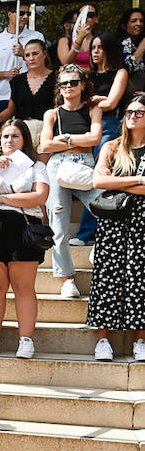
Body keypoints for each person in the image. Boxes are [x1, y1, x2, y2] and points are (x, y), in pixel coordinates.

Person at [0, 120, 50, 360]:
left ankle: (25, 339)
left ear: (24, 139)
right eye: (4, 136)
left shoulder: (36, 165)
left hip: (25, 227)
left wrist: (2, 199)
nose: (9, 140)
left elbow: (39, 197)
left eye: (15, 136)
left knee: (23, 287)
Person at [86, 98, 145, 362]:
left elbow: (109, 181)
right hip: (113, 221)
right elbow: (98, 180)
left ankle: (140, 339)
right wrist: (139, 180)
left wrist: (117, 183)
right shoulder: (112, 146)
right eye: (129, 111)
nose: (132, 115)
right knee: (106, 275)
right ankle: (102, 340)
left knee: (139, 278)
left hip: (141, 221)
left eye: (139, 112)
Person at [37, 66, 102, 298]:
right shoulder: (52, 114)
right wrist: (74, 141)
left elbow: (94, 138)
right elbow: (45, 145)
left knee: (108, 207)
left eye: (73, 83)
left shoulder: (92, 109)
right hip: (57, 167)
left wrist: (62, 139)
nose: (68, 88)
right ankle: (67, 278)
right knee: (58, 225)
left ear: (83, 84)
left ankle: (101, 248)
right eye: (63, 84)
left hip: (85, 163)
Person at [72, 34, 130, 246]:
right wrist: (94, 101)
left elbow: (112, 102)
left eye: (99, 47)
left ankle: (87, 234)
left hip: (109, 128)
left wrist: (92, 102)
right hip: (86, 129)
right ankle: (95, 230)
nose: (95, 51)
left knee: (100, 177)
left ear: (109, 50)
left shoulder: (120, 72)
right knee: (86, 178)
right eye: (93, 47)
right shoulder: (87, 76)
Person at [0, 5, 45, 134]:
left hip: (28, 96)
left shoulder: (36, 36)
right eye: (21, 13)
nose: (25, 17)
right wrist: (6, 73)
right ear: (9, 13)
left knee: (28, 140)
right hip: (1, 96)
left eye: (28, 14)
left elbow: (45, 65)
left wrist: (24, 54)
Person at [0, 37, 55, 149]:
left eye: (35, 54)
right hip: (23, 133)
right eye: (27, 55)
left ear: (45, 53)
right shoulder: (18, 81)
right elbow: (11, 110)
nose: (31, 58)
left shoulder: (57, 78)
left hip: (48, 131)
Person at [57, 5, 99, 69]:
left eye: (90, 15)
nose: (85, 17)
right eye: (81, 14)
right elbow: (65, 63)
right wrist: (79, 40)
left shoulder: (99, 41)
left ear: (96, 19)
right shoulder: (65, 41)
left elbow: (99, 66)